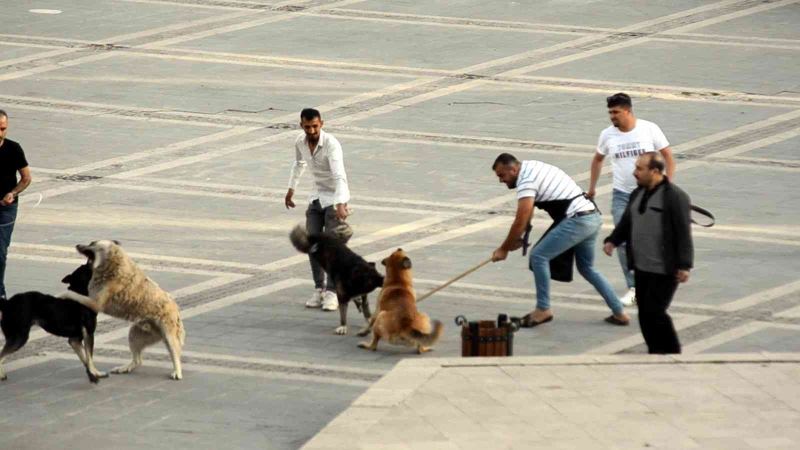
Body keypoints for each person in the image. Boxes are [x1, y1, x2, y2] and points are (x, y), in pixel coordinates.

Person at [491, 153, 629, 327]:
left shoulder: (526, 179)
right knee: (587, 268)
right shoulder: (532, 166)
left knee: (539, 256)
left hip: (577, 219)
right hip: (591, 216)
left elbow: (521, 216)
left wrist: (504, 248)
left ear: (513, 169)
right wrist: (519, 236)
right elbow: (528, 211)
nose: (501, 181)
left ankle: (543, 309)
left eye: (502, 175)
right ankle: (619, 313)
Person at [588, 93, 676, 307]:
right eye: (610, 112)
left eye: (616, 112)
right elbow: (598, 160)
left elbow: (668, 157)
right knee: (623, 241)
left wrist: (666, 186)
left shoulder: (649, 129)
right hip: (621, 195)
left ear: (628, 111)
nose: (612, 116)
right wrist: (592, 188)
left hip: (649, 193)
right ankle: (634, 286)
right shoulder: (607, 135)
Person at [603, 153, 692, 354]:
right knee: (644, 312)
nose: (635, 173)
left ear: (655, 171)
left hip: (665, 269)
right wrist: (612, 241)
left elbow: (683, 233)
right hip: (642, 266)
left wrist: (684, 265)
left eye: (639, 169)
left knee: (656, 311)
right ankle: (654, 350)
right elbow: (627, 222)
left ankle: (672, 351)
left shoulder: (674, 197)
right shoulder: (637, 194)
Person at [284, 108, 350, 311]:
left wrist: (340, 203)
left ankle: (332, 292)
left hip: (335, 198)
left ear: (322, 123)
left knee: (331, 246)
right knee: (311, 243)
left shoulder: (331, 144)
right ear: (301, 125)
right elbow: (298, 164)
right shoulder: (299, 141)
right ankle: (318, 288)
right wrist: (291, 189)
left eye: (315, 126)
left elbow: (339, 176)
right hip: (316, 197)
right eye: (307, 127)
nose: (311, 130)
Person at [0, 110, 32, 300]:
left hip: (6, 208)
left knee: (0, 251)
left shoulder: (14, 149)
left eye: (3, 128)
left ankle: (0, 294)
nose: (0, 133)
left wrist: (13, 193)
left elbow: (26, 177)